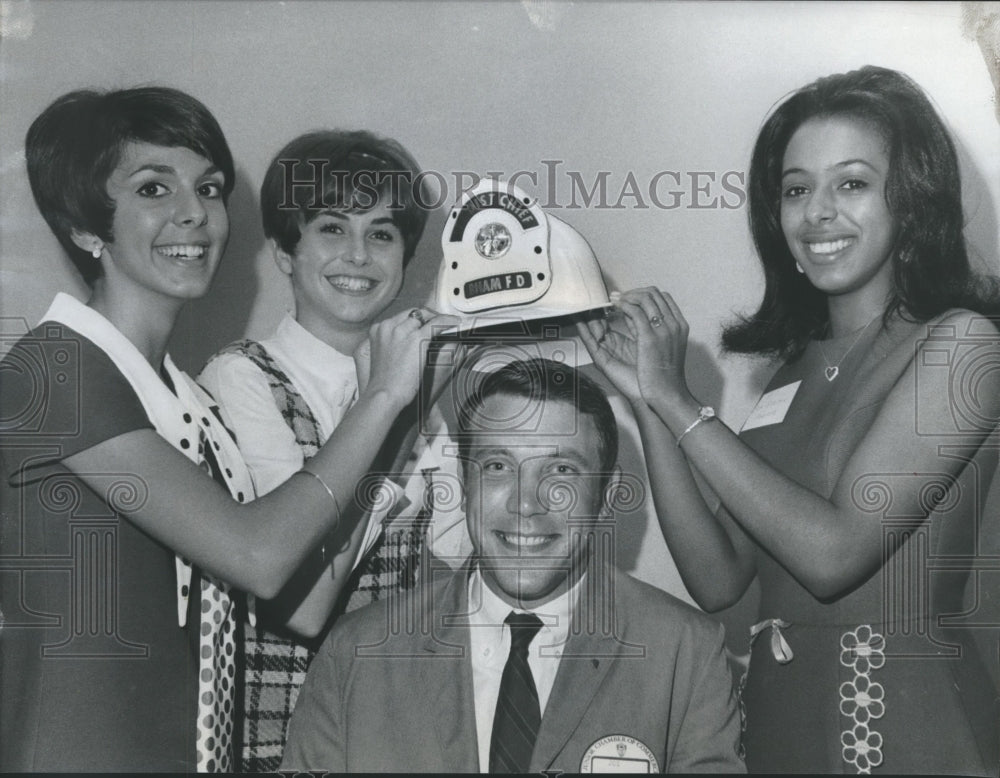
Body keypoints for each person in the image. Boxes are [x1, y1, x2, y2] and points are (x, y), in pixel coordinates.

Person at [0, 87, 450, 772]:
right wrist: (385, 396)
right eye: (154, 188)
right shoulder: (54, 368)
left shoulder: (182, 398)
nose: (194, 213)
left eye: (208, 189)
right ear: (85, 226)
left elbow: (296, 595)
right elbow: (259, 556)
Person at [580, 65, 1000, 774]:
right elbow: (717, 579)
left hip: (911, 728)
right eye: (796, 188)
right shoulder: (791, 374)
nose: (818, 213)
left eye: (853, 183)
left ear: (912, 199)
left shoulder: (964, 344)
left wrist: (684, 404)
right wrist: (650, 402)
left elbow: (834, 554)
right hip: (784, 724)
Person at [281, 358, 745, 773]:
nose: (526, 503)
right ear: (463, 485)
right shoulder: (356, 652)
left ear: (606, 498)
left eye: (561, 471)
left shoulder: (684, 654)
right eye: (499, 467)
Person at [198, 129, 470, 771]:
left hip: (405, 729)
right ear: (284, 252)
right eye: (331, 228)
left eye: (381, 233)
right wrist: (391, 413)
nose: (359, 255)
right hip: (288, 731)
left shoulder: (424, 394)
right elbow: (304, 602)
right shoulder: (241, 377)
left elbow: (457, 577)